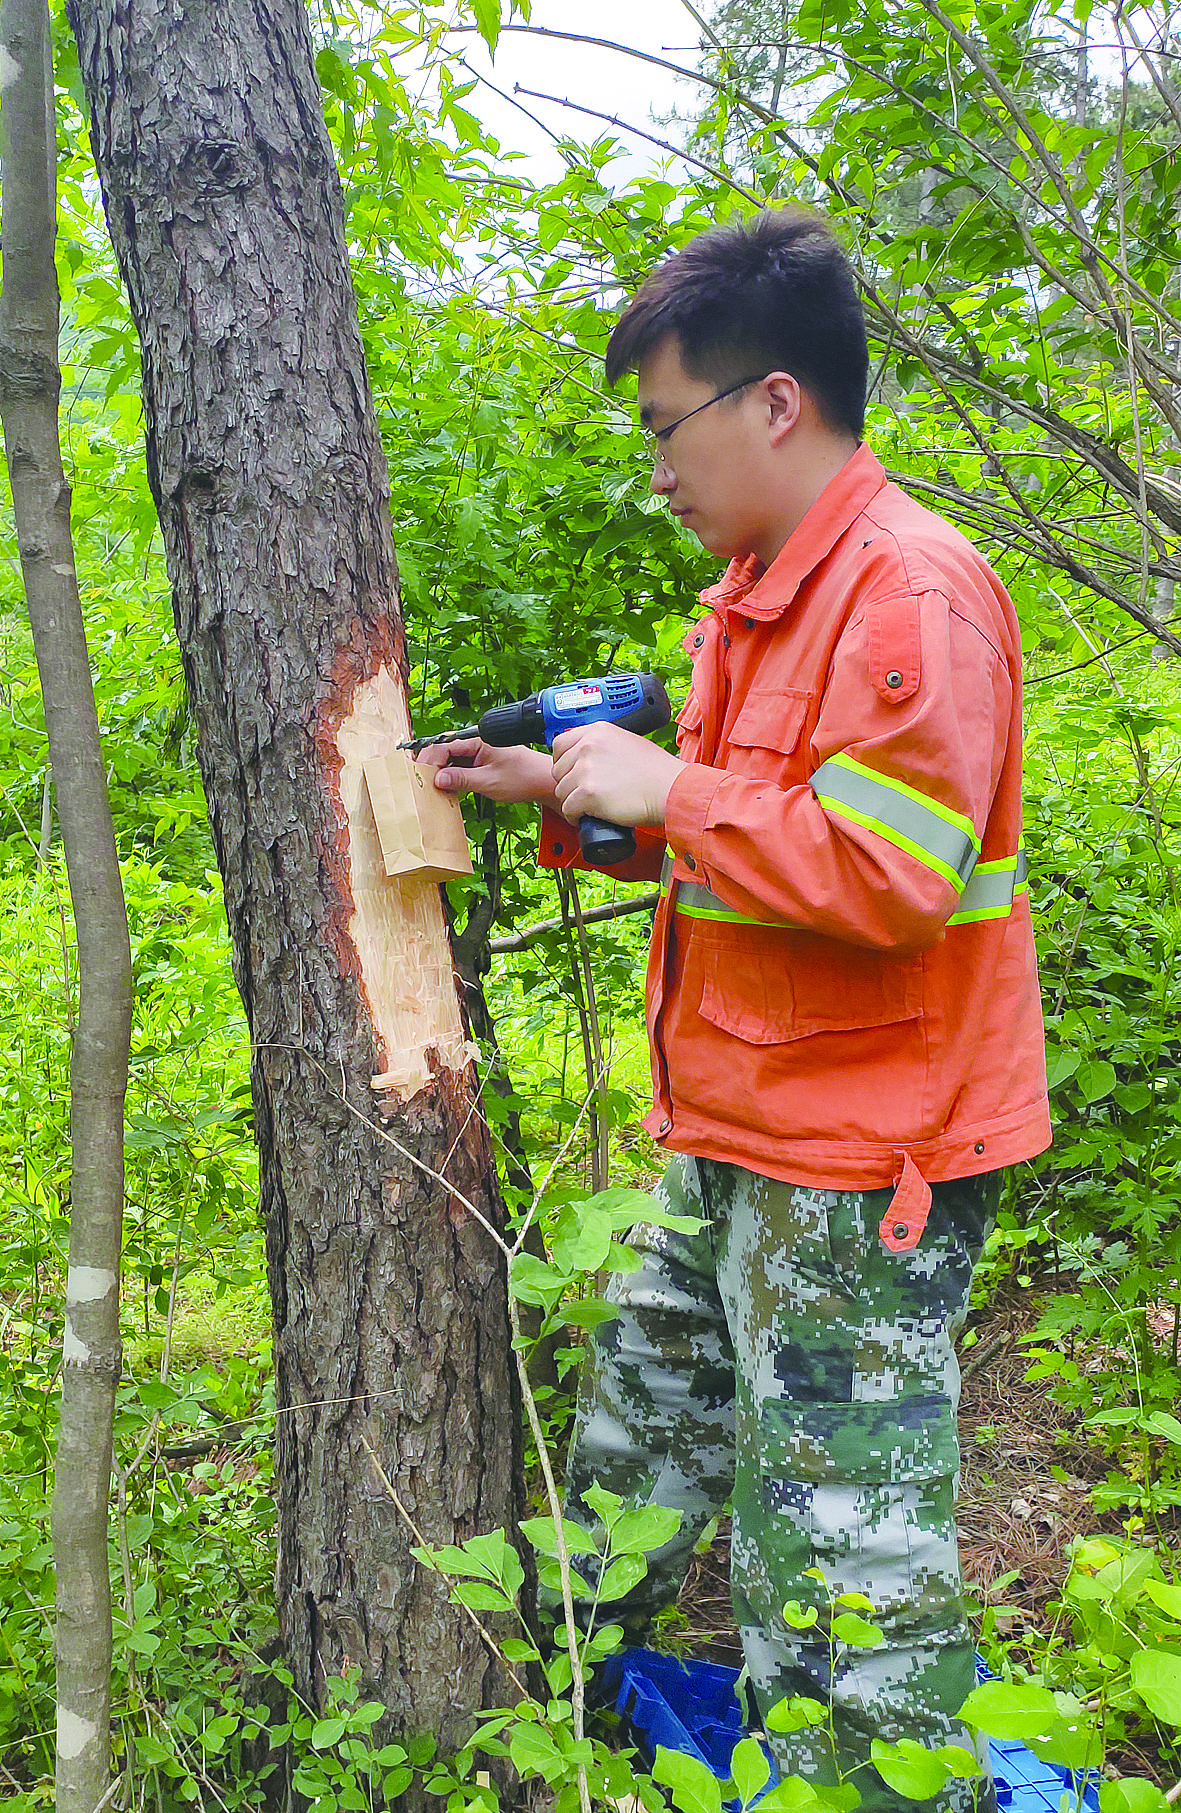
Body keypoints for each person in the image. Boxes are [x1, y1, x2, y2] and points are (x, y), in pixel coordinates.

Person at [423, 208, 1049, 1813]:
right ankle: (558, 1742)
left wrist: (678, 788)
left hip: (857, 1172)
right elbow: (750, 844)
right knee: (627, 1470)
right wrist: (558, 791)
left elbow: (892, 871)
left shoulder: (909, 595)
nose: (658, 469)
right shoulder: (767, 591)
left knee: (842, 1566)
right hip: (729, 1137)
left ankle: (871, 1783)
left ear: (776, 400)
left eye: (668, 426)